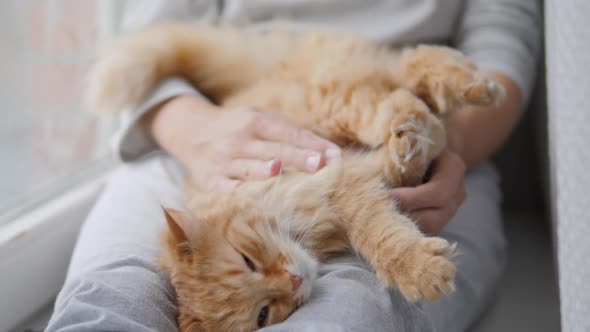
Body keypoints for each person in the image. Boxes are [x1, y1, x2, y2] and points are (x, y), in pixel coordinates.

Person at [46, 1, 541, 331]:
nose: (289, 283)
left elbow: (503, 44)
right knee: (108, 304)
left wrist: (439, 139)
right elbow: (151, 31)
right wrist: (199, 131)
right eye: (265, 311)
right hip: (210, 130)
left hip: (444, 136)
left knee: (349, 314)